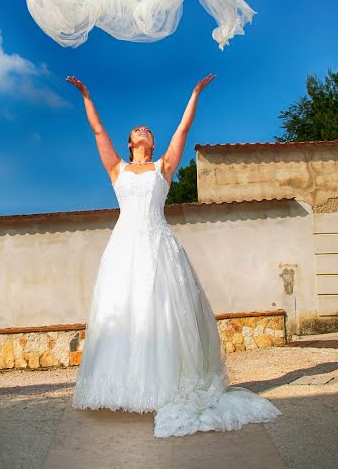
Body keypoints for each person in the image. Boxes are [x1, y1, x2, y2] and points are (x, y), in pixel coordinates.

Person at [66, 73, 282, 438]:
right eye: (138, 130)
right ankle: (125, 387)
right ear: (131, 142)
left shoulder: (163, 167)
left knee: (162, 313)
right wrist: (86, 96)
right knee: (124, 310)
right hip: (124, 248)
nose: (144, 131)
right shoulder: (117, 168)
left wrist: (195, 93)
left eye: (148, 130)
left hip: (157, 245)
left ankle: (163, 388)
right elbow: (98, 131)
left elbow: (183, 130)